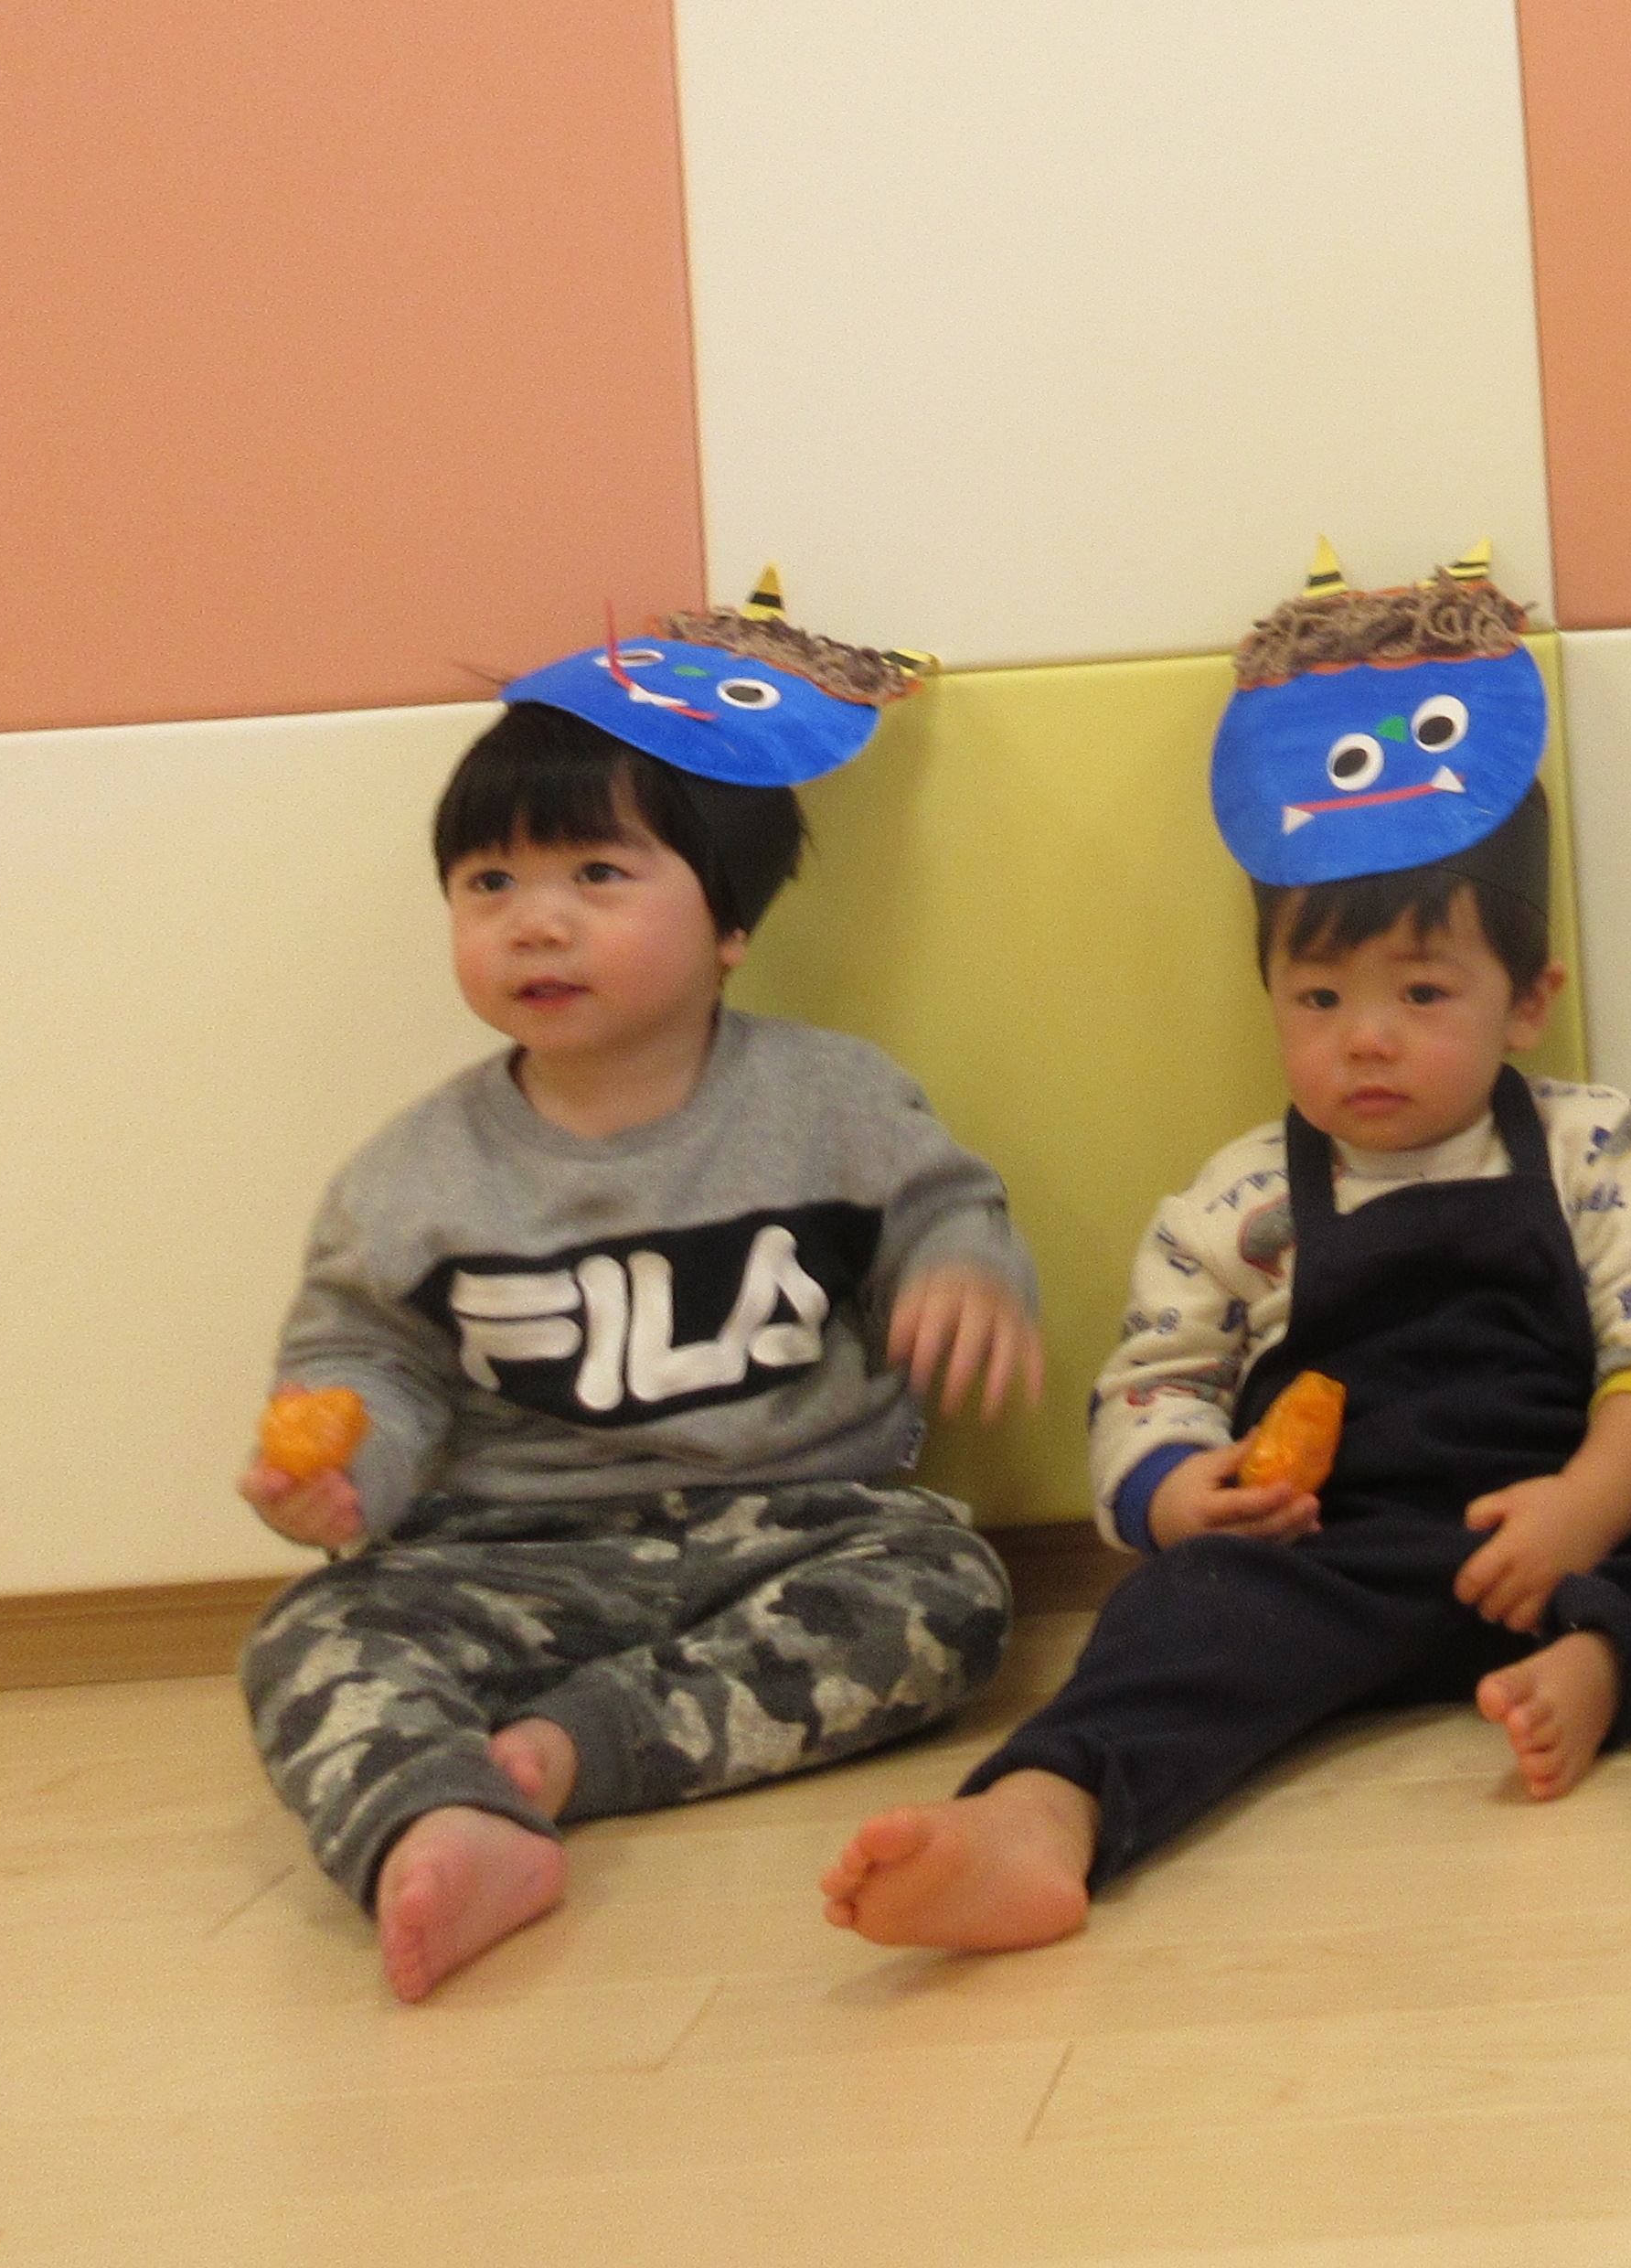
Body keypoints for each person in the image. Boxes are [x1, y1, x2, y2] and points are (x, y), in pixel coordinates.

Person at [821, 555, 1631, 1954]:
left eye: (1422, 993)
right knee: (1171, 1610)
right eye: (1317, 998)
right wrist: (1178, 1494)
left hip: (1570, 1544)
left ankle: (1612, 1663)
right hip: (1338, 1566)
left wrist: (1586, 1510)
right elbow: (1156, 1382)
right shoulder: (1238, 1201)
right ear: (1270, 992)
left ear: (1527, 1003)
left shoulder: (1586, 1143)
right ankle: (1041, 1815)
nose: (1365, 1038)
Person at [239, 592, 1037, 2003]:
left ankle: (567, 1755)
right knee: (310, 1639)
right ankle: (438, 1822)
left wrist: (962, 1270)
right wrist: (349, 1464)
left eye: (597, 875)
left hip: (795, 1527)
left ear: (728, 923)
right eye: (490, 884)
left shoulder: (832, 1099)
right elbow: (368, 1356)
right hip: (508, 1554)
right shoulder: (413, 1175)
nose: (536, 923)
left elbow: (942, 1206)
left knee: (950, 1593)